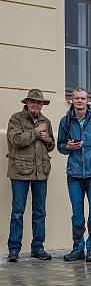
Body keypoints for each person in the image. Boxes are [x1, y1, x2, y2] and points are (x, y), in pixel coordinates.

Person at [57, 88, 91, 263]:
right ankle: (78, 249)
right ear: (71, 100)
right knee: (77, 213)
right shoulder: (65, 121)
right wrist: (68, 147)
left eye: (83, 98)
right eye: (76, 98)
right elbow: (59, 146)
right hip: (74, 174)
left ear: (88, 100)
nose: (80, 101)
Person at [6, 88, 56, 262]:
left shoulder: (46, 121)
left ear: (42, 105)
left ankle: (38, 248)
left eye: (39, 102)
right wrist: (36, 132)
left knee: (40, 212)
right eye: (33, 101)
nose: (36, 104)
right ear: (26, 103)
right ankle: (14, 250)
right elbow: (16, 140)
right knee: (18, 212)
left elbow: (51, 146)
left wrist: (47, 139)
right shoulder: (16, 118)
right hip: (19, 172)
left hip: (41, 173)